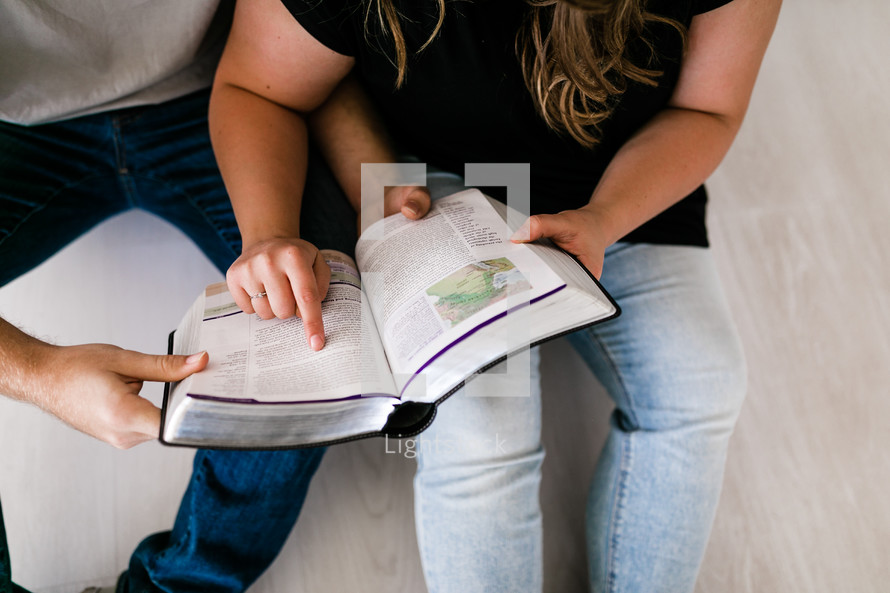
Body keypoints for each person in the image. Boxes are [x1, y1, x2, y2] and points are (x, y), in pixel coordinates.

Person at [210, 0, 782, 591]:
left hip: (623, 174)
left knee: (702, 386)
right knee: (484, 440)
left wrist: (605, 217)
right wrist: (271, 230)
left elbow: (707, 108)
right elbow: (257, 85)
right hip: (432, 180)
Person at [0, 1, 392, 590]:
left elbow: (316, 32)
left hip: (226, 88)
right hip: (17, 124)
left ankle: (179, 585)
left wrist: (273, 231)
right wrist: (39, 372)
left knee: (321, 321)